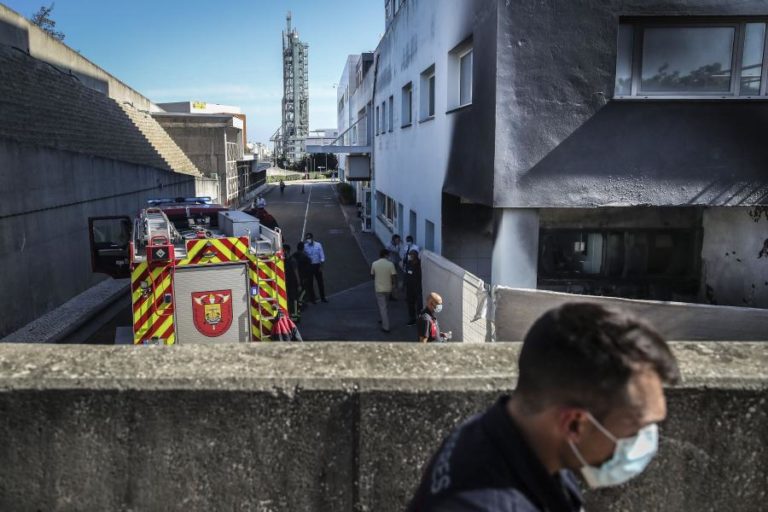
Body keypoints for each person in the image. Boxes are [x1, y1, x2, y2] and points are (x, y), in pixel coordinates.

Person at [407, 303, 681, 512]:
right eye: (637, 427)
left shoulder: (497, 434)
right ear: (574, 424)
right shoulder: (481, 502)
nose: (648, 441)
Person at [371, 248, 397, 333]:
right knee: (384, 305)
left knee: (382, 307)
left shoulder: (374, 263)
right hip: (388, 288)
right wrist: (394, 285)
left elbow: (372, 275)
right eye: (388, 255)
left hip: (378, 288)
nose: (389, 256)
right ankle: (382, 318)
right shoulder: (390, 264)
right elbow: (394, 276)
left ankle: (386, 327)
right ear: (386, 255)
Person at [303, 232, 328, 303]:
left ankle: (323, 297)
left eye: (309, 238)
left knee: (320, 282)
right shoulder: (305, 246)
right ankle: (313, 299)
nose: (308, 240)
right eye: (307, 238)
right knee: (310, 283)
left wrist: (321, 266)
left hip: (317, 265)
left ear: (312, 238)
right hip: (310, 266)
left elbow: (322, 256)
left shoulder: (318, 245)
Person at [404, 250, 423, 326]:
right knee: (410, 303)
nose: (410, 256)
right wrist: (404, 284)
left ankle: (419, 319)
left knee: (419, 305)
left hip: (417, 287)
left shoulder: (419, 264)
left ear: (415, 255)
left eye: (411, 255)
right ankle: (412, 319)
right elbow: (406, 274)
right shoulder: (408, 263)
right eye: (409, 255)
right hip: (409, 287)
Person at [282, 244, 301, 319]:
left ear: (287, 251)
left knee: (294, 300)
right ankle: (292, 314)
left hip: (293, 283)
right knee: (289, 300)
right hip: (287, 283)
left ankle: (296, 315)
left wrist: (299, 284)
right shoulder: (285, 260)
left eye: (283, 251)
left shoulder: (292, 261)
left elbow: (296, 273)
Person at [294, 241, 313, 307]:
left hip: (296, 276)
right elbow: (310, 263)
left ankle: (299, 302)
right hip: (304, 276)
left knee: (299, 290)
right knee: (304, 290)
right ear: (303, 248)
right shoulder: (305, 256)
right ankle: (302, 303)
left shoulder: (294, 255)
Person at [386, 234, 404, 300]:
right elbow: (396, 250)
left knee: (394, 279)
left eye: (399, 240)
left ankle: (391, 293)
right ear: (394, 239)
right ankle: (391, 294)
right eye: (397, 240)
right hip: (391, 264)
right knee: (392, 279)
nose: (399, 241)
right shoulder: (390, 245)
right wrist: (398, 244)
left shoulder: (392, 244)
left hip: (394, 263)